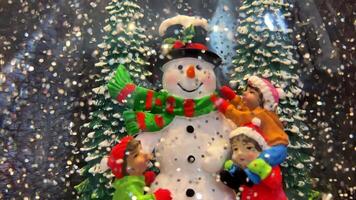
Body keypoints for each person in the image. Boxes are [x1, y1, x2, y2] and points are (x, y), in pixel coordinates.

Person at [216, 76, 289, 183]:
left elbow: (240, 117)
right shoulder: (257, 110)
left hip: (276, 149)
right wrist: (232, 97)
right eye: (246, 90)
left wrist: (225, 107)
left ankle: (248, 178)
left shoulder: (261, 113)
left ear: (263, 100)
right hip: (272, 148)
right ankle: (241, 175)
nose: (245, 93)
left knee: (258, 163)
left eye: (251, 92)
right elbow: (243, 106)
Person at [220, 118, 287, 200]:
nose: (240, 153)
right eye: (236, 149)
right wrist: (231, 178)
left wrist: (264, 170)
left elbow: (275, 183)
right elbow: (242, 185)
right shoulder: (242, 170)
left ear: (260, 149)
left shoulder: (268, 163)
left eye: (248, 147)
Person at [107, 136, 172, 200]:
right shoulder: (129, 187)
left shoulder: (129, 180)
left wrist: (144, 179)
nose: (144, 154)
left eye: (141, 149)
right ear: (127, 168)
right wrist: (155, 198)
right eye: (136, 155)